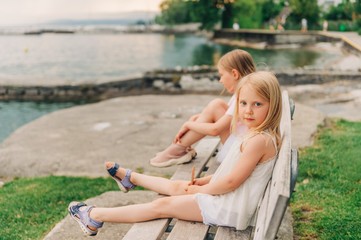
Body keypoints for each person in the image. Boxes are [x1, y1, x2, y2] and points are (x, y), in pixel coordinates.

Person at [68, 71, 283, 236]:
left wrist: (204, 189)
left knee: (162, 206)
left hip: (229, 208)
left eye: (257, 104)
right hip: (230, 200)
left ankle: (94, 216)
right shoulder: (259, 134)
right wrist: (205, 181)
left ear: (273, 106)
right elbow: (235, 174)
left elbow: (230, 183)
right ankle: (129, 177)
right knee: (178, 187)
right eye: (243, 103)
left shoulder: (258, 140)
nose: (247, 110)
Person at [149, 49, 256, 167]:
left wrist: (187, 124)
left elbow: (215, 130)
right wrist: (201, 117)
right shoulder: (247, 93)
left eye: (221, 75)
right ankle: (179, 149)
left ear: (235, 74)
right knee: (216, 106)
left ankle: (178, 149)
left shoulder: (243, 97)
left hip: (237, 152)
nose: (220, 81)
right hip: (242, 146)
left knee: (216, 104)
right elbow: (232, 119)